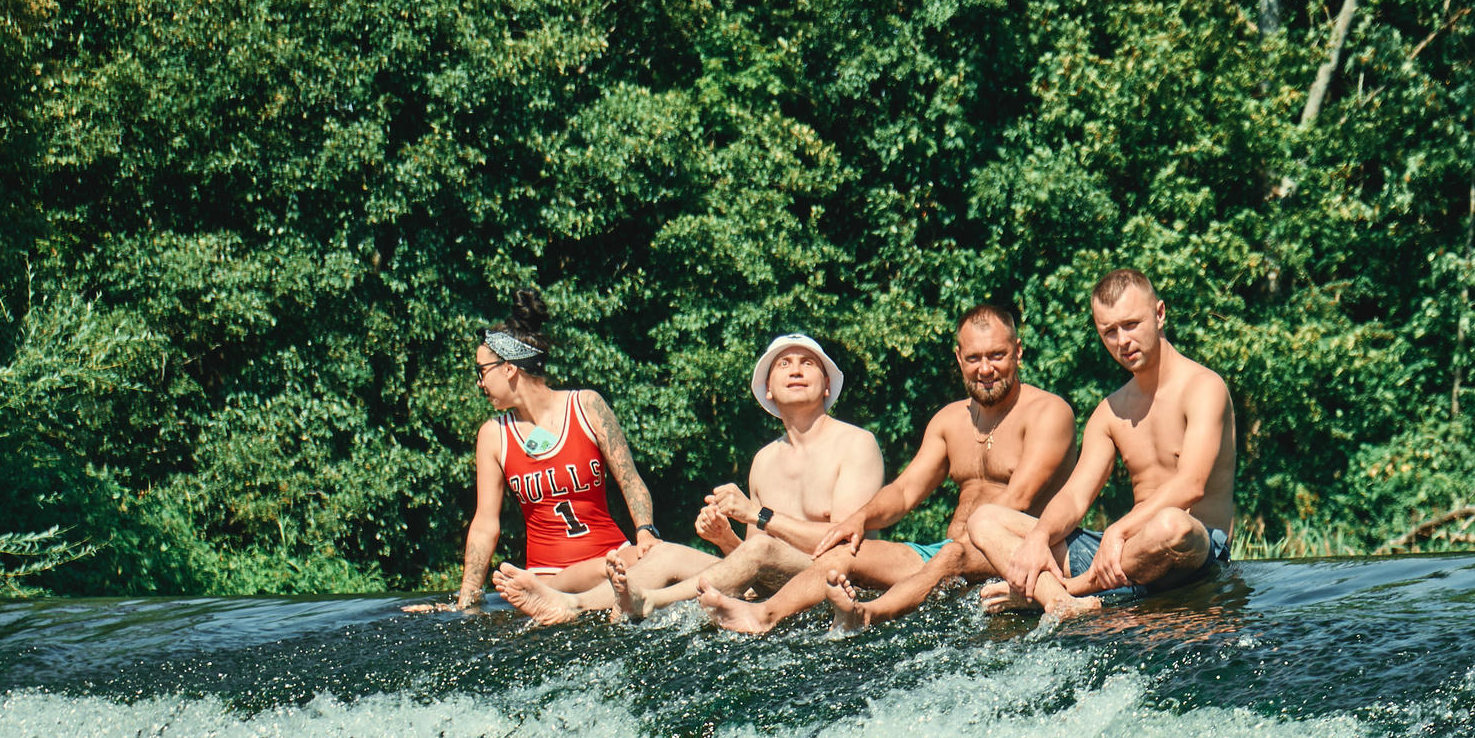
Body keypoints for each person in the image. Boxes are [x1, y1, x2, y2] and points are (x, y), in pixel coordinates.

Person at [700, 302, 1076, 635]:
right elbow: (904, 492)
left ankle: (866, 615)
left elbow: (1017, 499)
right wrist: (859, 520)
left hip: (1014, 547)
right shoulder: (949, 421)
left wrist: (955, 550)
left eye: (997, 355)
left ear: (1018, 353)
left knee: (951, 555)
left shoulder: (1048, 412)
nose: (986, 369)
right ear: (959, 358)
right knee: (844, 552)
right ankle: (763, 615)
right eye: (975, 358)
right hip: (946, 551)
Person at [500, 335, 884, 623]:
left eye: (808, 363)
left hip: (835, 582)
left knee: (764, 546)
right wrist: (724, 538)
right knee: (663, 550)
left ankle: (648, 600)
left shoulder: (856, 444)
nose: (796, 370)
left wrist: (757, 515)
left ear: (828, 385)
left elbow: (844, 549)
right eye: (784, 365)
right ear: (768, 389)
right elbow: (750, 562)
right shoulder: (764, 460)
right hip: (775, 583)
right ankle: (574, 602)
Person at [964, 268, 1236, 619]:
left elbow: (1192, 485)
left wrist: (1117, 531)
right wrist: (1038, 537)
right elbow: (1075, 496)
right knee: (984, 519)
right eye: (1109, 331)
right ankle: (1060, 603)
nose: (1122, 340)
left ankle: (1066, 591)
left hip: (1188, 550)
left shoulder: (1203, 387)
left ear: (1160, 314)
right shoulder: (1110, 411)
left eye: (1131, 324)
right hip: (1126, 555)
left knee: (1172, 524)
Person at [408, 289, 669, 615]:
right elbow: (485, 524)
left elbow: (630, 480)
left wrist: (645, 533)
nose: (479, 384)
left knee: (665, 558)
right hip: (547, 580)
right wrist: (466, 600)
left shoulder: (587, 406)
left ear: (508, 369)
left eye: (481, 371)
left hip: (613, 558)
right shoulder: (493, 435)